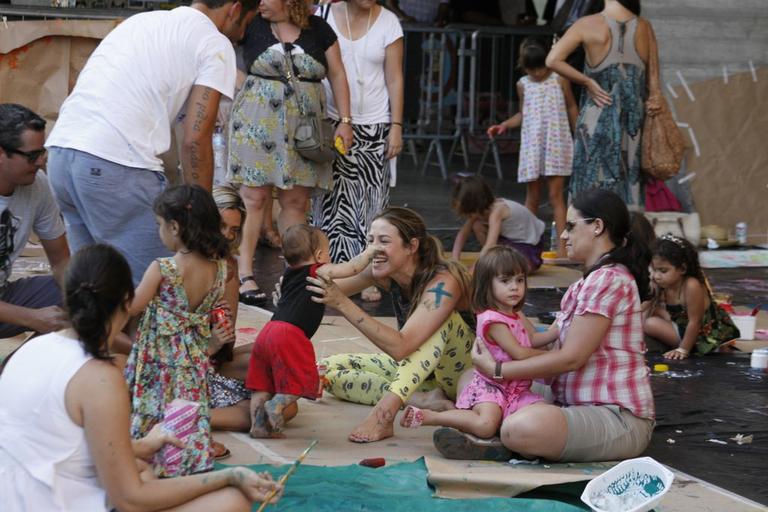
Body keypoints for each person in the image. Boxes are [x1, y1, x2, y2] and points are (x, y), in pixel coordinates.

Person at [0, 244, 281, 511]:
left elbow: (58, 442)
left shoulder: (30, 349)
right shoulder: (100, 378)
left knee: (143, 469)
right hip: (53, 502)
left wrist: (142, 445)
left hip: (15, 498)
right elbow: (130, 499)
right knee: (231, 502)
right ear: (127, 304)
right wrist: (229, 476)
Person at [46, 0, 258, 285]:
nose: (243, 34)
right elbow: (196, 140)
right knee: (161, 288)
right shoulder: (214, 43)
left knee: (94, 290)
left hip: (63, 152)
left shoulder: (143, 21)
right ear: (234, 8)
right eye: (247, 22)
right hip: (116, 162)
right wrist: (202, 219)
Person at [439, 189, 655, 462]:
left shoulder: (608, 280)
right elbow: (549, 344)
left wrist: (498, 370)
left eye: (571, 227)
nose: (564, 236)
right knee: (471, 378)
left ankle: (495, 433)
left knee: (523, 426)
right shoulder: (587, 281)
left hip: (617, 418)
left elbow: (570, 359)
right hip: (569, 401)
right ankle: (491, 429)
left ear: (598, 227)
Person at [309, 207, 475, 443]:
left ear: (412, 247)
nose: (373, 249)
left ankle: (383, 414)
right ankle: (422, 399)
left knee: (441, 322)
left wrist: (342, 303)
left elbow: (401, 347)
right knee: (326, 371)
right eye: (370, 241)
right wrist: (295, 286)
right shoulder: (383, 271)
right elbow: (323, 289)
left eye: (383, 241)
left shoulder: (444, 281)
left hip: (468, 377)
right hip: (427, 373)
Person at [228, 0, 353, 307]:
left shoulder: (319, 30)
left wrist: (345, 122)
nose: (261, 2)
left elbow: (337, 74)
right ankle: (244, 274)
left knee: (296, 201)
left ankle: (293, 273)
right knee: (254, 198)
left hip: (304, 129)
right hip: (256, 123)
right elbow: (214, 49)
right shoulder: (252, 23)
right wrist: (242, 85)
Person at [124, 185, 230, 476]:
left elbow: (132, 307)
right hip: (193, 357)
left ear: (174, 226)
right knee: (187, 407)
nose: (159, 232)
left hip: (159, 359)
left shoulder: (164, 268)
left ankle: (150, 461)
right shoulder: (219, 268)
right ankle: (186, 462)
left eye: (160, 225)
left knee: (155, 406)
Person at [400, 246, 557, 438]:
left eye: (520, 280)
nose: (515, 287)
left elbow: (533, 339)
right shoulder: (493, 319)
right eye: (505, 281)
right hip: (492, 386)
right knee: (486, 425)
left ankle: (485, 432)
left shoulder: (514, 313)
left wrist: (558, 330)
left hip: (516, 388)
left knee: (543, 415)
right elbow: (520, 353)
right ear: (487, 285)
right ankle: (431, 417)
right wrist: (558, 358)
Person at [247, 225, 378, 437]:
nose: (329, 257)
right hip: (290, 334)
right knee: (298, 380)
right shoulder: (318, 269)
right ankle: (276, 404)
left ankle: (258, 426)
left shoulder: (289, 273)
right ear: (318, 255)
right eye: (327, 252)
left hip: (268, 332)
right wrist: (370, 252)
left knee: (261, 382)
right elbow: (352, 268)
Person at [314, 0, 404, 303]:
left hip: (375, 123)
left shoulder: (389, 22)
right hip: (332, 120)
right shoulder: (322, 14)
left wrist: (397, 125)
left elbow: (395, 78)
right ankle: (332, 271)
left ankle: (368, 275)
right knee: (332, 206)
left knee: (370, 207)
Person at [545, 0, 662, 209]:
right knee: (629, 192)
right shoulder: (645, 27)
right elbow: (654, 79)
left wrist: (586, 81)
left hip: (596, 118)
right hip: (632, 124)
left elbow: (552, 60)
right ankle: (626, 237)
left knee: (589, 192)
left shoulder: (586, 24)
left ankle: (588, 236)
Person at [487, 39, 577, 257]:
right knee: (532, 197)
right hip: (532, 145)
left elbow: (571, 106)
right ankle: (527, 246)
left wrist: (580, 135)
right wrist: (505, 125)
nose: (537, 73)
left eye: (541, 67)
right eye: (532, 69)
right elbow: (523, 113)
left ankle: (563, 249)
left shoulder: (559, 79)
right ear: (525, 67)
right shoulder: (523, 84)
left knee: (556, 196)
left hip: (556, 143)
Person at [0, 104, 69, 338]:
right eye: (32, 156)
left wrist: (83, 298)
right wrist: (32, 318)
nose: (41, 162)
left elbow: (60, 260)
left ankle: (17, 369)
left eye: (42, 153)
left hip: (4, 297)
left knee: (87, 294)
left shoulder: (38, 184)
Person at [644, 234, 740, 360]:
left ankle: (690, 346)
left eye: (663, 271)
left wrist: (683, 349)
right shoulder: (661, 282)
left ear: (683, 268)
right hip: (681, 324)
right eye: (654, 270)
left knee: (649, 323)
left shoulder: (691, 285)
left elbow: (695, 322)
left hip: (702, 338)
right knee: (650, 312)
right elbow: (642, 309)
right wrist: (652, 293)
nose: (656, 276)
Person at [451, 175, 547, 273]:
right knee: (477, 225)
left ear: (474, 204)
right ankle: (493, 259)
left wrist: (475, 269)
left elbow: (490, 245)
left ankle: (493, 261)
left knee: (504, 268)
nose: (469, 216)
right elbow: (462, 235)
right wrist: (454, 260)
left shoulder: (497, 211)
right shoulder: (479, 211)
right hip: (510, 244)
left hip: (529, 248)